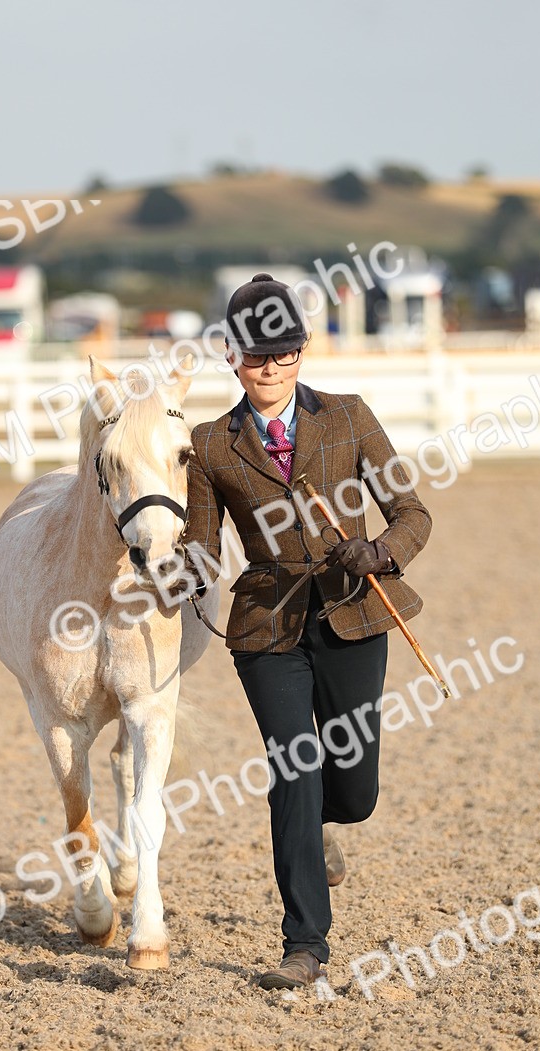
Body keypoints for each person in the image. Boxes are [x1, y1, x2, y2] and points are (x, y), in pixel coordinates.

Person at [181, 273, 432, 991]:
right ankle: (304, 945)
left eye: (285, 354)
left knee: (351, 792)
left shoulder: (349, 416)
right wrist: (174, 569)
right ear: (232, 356)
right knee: (294, 767)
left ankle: (331, 820)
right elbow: (201, 547)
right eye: (258, 355)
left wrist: (378, 551)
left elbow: (413, 513)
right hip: (267, 628)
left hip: (356, 612)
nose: (272, 367)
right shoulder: (210, 446)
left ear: (302, 353)